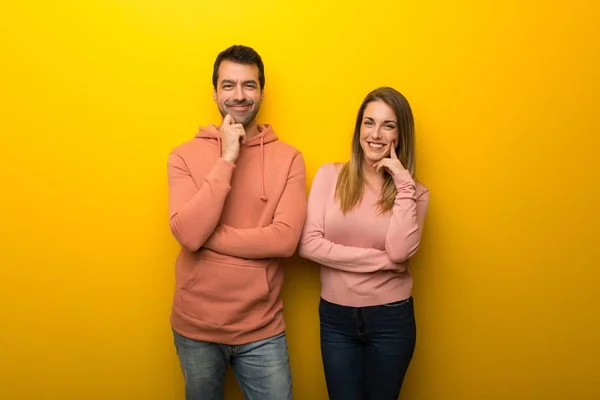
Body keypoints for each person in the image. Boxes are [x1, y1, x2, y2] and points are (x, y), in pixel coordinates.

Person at [166, 44, 307, 400]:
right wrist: (227, 156)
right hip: (195, 327)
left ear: (262, 91)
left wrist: (207, 236)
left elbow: (285, 240)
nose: (239, 95)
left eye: (249, 85)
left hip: (262, 329)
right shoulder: (183, 155)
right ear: (214, 92)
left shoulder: (289, 158)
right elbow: (186, 233)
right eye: (229, 85)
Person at [298, 87, 430, 400]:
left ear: (401, 134)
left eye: (388, 125)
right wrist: (384, 262)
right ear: (359, 128)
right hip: (336, 319)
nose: (376, 134)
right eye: (369, 122)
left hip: (391, 320)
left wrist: (403, 184)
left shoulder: (415, 192)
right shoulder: (330, 176)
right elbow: (308, 245)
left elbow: (399, 250)